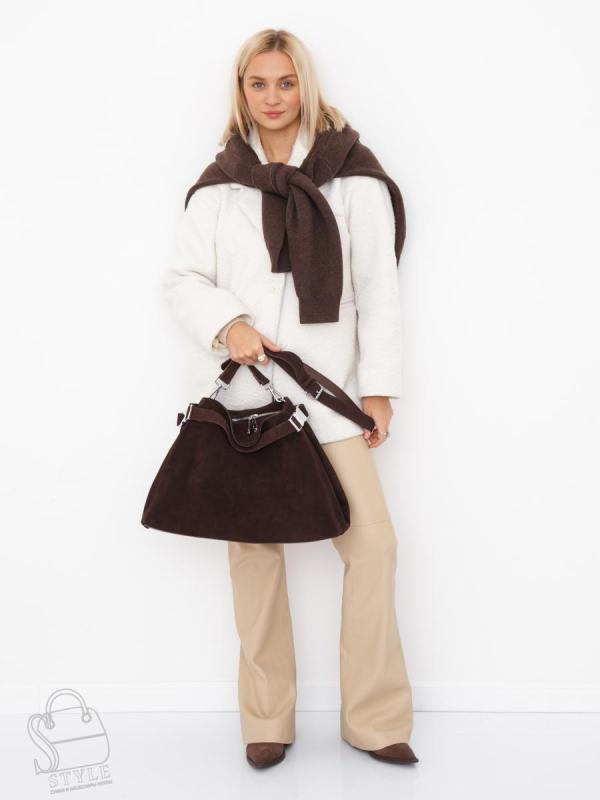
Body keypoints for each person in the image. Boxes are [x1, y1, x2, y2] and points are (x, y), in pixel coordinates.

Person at [162, 28, 419, 769]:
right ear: (241, 91)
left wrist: (379, 391)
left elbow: (378, 288)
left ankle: (373, 718)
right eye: (258, 83)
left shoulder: (354, 176)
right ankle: (266, 717)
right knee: (254, 552)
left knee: (372, 544)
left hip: (328, 394)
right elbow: (183, 279)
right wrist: (230, 323)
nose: (272, 97)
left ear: (305, 85)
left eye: (285, 82)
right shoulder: (220, 185)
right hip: (246, 395)